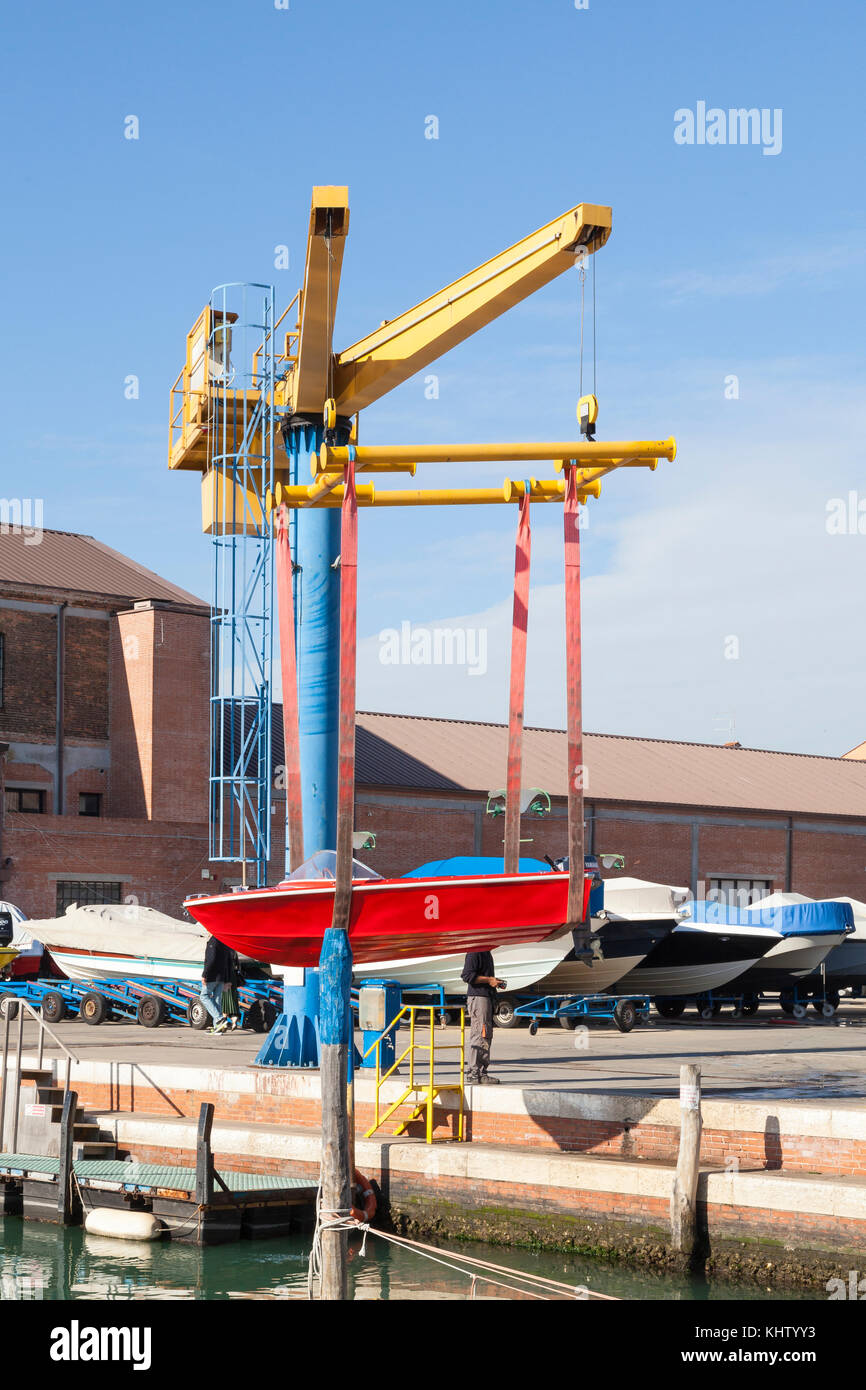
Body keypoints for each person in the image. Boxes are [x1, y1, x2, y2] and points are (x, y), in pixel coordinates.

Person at [461, 949, 506, 1084]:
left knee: (485, 1034)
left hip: (485, 998)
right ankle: (475, 1073)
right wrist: (489, 980)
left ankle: (480, 1072)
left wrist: (493, 982)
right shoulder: (475, 951)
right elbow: (466, 975)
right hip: (478, 998)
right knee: (480, 1034)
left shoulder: (486, 952)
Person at [200, 935, 236, 1035]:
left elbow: (211, 959)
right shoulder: (224, 940)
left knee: (204, 996)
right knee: (217, 1000)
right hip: (222, 976)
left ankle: (220, 1019)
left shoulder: (213, 941)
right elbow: (229, 961)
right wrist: (227, 979)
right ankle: (218, 1028)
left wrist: (205, 974)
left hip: (212, 975)